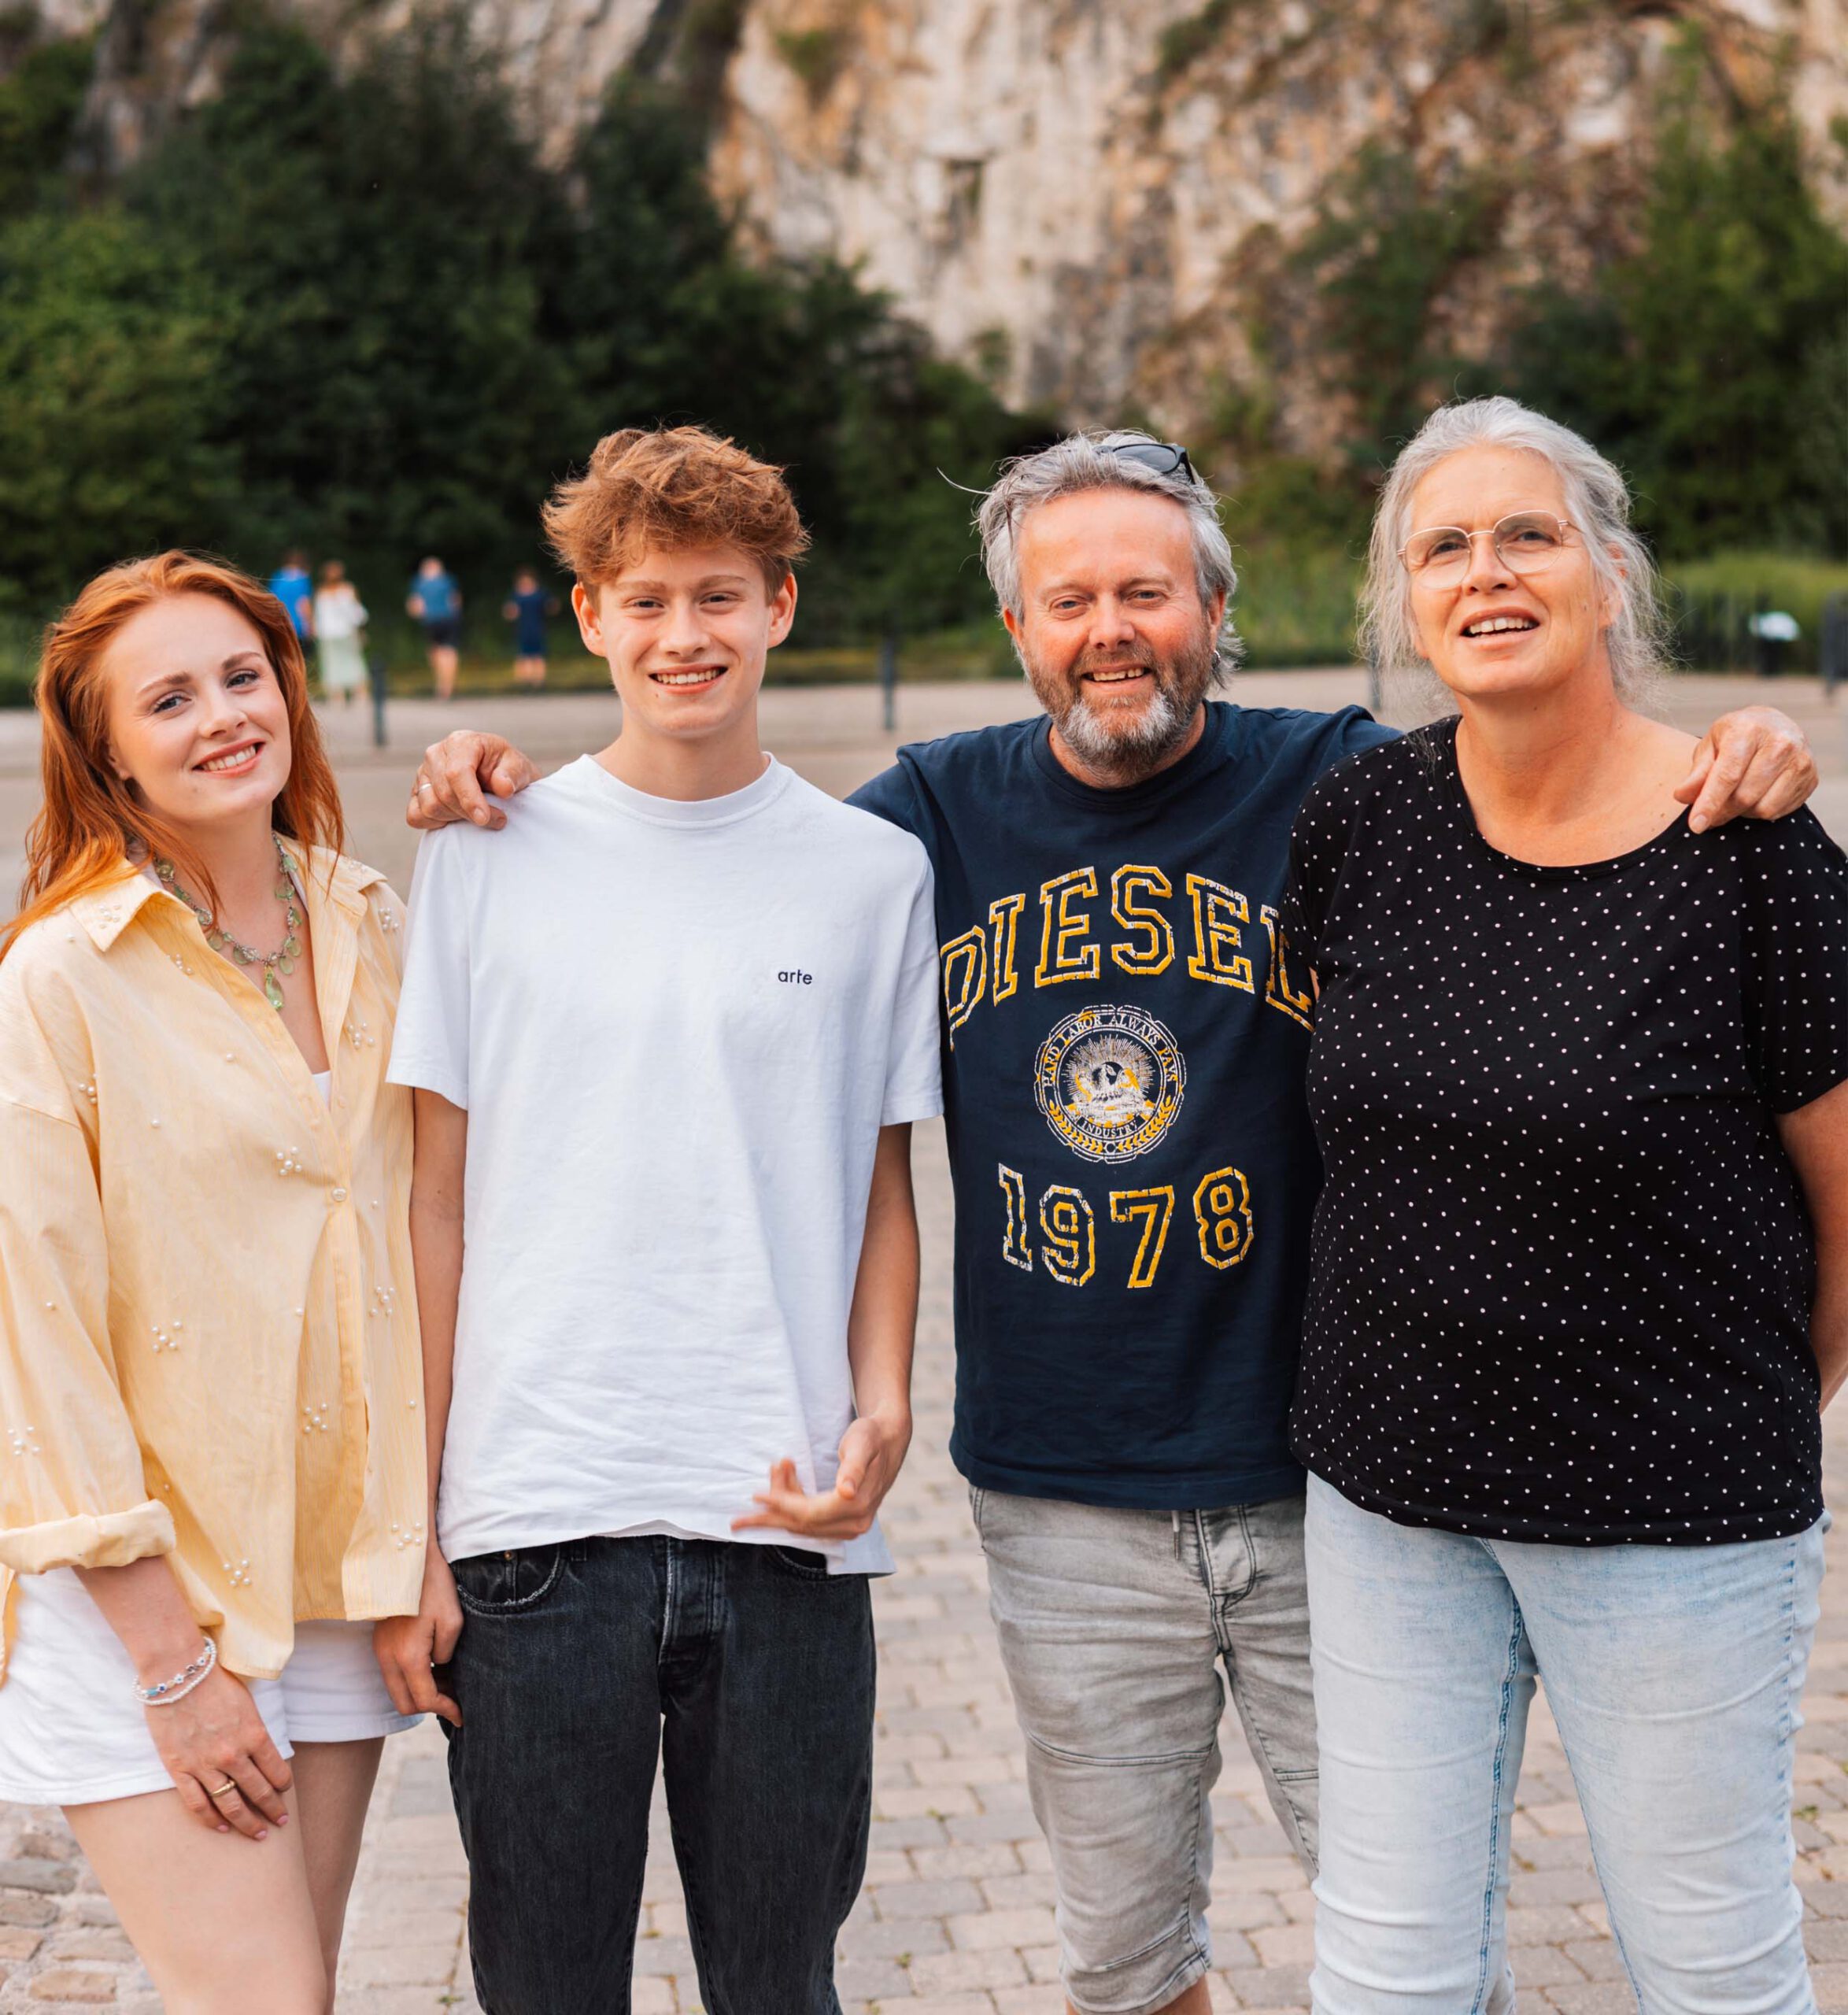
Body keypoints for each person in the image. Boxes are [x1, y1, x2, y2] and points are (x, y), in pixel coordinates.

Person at [404, 433, 1817, 2015]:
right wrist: (496, 781)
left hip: (1321, 1483)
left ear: (1214, 604)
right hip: (1063, 1487)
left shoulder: (1342, 783)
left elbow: (1545, 761)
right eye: (1066, 597)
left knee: (1405, 1939)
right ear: (1017, 630)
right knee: (1124, 1956)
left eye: (1145, 589)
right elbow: (727, 856)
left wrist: (1740, 741)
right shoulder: (918, 824)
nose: (1108, 627)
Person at [1283, 396, 1848, 2015]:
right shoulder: (1360, 822)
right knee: (1384, 1969)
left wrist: (1725, 1401)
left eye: (1524, 531)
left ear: (1609, 572)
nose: (1486, 570)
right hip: (1390, 1497)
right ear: (1404, 605)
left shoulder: (1748, 846)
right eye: (1441, 546)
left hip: (1669, 1513)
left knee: (1706, 1963)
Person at [374, 425, 941, 2012]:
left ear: (779, 605)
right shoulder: (485, 854)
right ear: (589, 619)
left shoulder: (873, 873)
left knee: (781, 1984)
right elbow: (435, 1201)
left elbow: (883, 1174)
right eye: (643, 600)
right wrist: (416, 1524)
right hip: (537, 1528)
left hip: (788, 1523)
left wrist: (883, 1400)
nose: (681, 634)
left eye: (717, 595)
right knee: (546, 1984)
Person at [0, 553, 426, 2015]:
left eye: (243, 675)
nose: (222, 716)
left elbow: (406, 1246)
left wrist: (417, 1548)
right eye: (168, 698)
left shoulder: (365, 917)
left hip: (328, 1579)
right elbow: (31, 1338)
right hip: (150, 1609)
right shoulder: (60, 978)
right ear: (104, 749)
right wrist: (172, 1668)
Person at [312, 560, 368, 707]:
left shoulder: (343, 590)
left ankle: (356, 694)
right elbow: (357, 613)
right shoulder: (325, 592)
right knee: (338, 664)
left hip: (341, 632)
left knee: (350, 663)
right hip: (333, 633)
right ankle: (340, 695)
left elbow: (357, 612)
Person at [405, 556, 461, 700]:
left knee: (435, 652)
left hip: (431, 620)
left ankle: (442, 683)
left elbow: (415, 606)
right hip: (449, 619)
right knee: (449, 651)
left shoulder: (419, 582)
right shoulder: (448, 580)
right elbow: (455, 601)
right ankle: (448, 684)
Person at [502, 567, 555, 686]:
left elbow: (552, 606)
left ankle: (538, 683)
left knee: (538, 656)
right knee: (523, 656)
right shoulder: (516, 595)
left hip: (537, 629)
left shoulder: (540, 594)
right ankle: (524, 682)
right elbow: (509, 613)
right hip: (523, 630)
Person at [268, 551, 315, 645]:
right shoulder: (302, 579)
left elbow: (271, 600)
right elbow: (304, 603)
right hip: (298, 624)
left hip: (280, 621)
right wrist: (310, 624)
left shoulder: (277, 576)